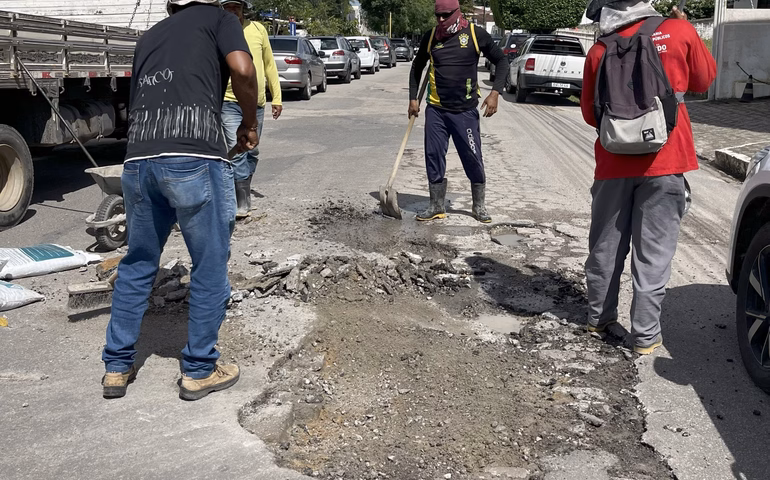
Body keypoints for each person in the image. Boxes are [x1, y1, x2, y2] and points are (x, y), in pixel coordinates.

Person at [101, 0, 259, 400]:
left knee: (138, 262)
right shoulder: (220, 19)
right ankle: (199, 369)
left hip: (138, 161)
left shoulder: (150, 35)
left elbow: (137, 97)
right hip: (194, 156)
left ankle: (117, 367)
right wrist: (249, 122)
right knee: (209, 266)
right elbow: (242, 69)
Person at [581, 0, 716, 354]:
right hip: (666, 161)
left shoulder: (599, 48)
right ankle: (644, 337)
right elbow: (705, 80)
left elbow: (589, 115)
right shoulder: (679, 30)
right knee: (653, 254)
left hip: (612, 164)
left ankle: (599, 318)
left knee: (605, 247)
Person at [408, 0, 508, 223]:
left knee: (472, 157)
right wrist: (413, 98)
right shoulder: (432, 36)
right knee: (433, 155)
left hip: (465, 112)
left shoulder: (475, 34)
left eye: (445, 15)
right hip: (436, 110)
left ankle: (478, 205)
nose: (441, 20)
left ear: (456, 13)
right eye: (438, 16)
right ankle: (436, 205)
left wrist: (495, 93)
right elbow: (417, 66)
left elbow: (501, 61)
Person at [220, 0, 282, 219]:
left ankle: (243, 186)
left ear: (243, 9)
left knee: (252, 150)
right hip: (228, 101)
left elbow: (269, 64)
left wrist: (277, 97)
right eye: (227, 7)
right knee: (237, 148)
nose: (232, 11)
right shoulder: (218, 29)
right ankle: (242, 201)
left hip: (256, 102)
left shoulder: (257, 29)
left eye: (236, 7)